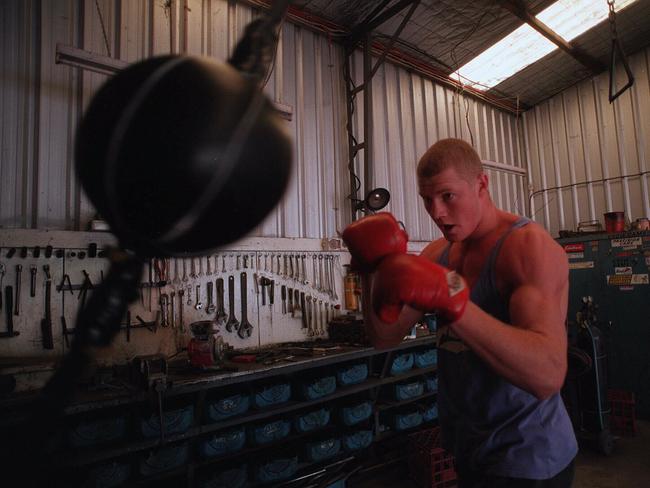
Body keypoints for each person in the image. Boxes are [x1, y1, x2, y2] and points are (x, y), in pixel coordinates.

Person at [342, 138, 577, 487]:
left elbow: (547, 376)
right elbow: (383, 337)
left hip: (529, 459)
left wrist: (454, 303)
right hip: (469, 452)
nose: (436, 212)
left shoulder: (528, 248)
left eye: (447, 196)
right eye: (427, 199)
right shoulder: (437, 253)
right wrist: (369, 271)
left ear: (481, 184)